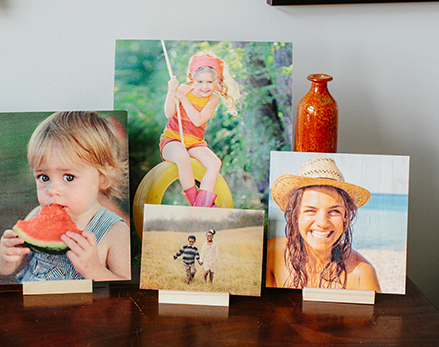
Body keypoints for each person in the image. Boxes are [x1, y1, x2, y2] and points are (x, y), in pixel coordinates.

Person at [0, 111, 131, 282]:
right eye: (44, 177)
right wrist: (5, 256)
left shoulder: (116, 232)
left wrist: (95, 270)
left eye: (69, 177)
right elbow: (4, 269)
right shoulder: (36, 214)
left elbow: (125, 287)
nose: (52, 190)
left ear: (103, 178)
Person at [266, 156, 381, 292]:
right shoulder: (273, 254)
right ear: (295, 215)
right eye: (310, 210)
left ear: (346, 217)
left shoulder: (361, 274)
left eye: (334, 211)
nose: (322, 223)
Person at [159, 51, 241, 207]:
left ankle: (202, 204)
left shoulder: (213, 98)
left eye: (210, 82)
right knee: (182, 157)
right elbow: (169, 114)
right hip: (172, 140)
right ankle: (197, 203)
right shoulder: (184, 89)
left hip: (195, 143)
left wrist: (183, 100)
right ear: (193, 79)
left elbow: (197, 121)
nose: (205, 86)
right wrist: (171, 91)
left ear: (217, 82)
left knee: (214, 163)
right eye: (200, 81)